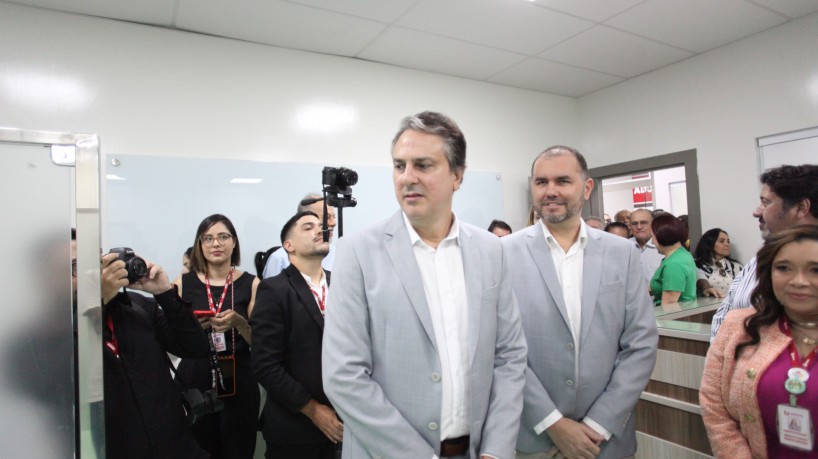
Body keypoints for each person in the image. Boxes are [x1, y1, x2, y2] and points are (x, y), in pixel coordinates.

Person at [322, 111, 527, 459]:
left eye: (423, 165)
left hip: (476, 450)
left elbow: (510, 355)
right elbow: (344, 376)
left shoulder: (491, 250)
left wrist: (496, 448)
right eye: (399, 166)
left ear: (457, 175)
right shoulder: (358, 252)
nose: (407, 178)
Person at [504, 146, 657, 459]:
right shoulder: (503, 254)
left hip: (605, 440)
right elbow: (501, 350)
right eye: (541, 182)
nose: (551, 191)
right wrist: (553, 423)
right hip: (534, 438)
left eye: (562, 181)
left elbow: (640, 344)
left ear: (586, 188)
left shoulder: (622, 253)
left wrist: (599, 424)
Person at [700, 225, 818, 458]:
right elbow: (715, 406)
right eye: (784, 268)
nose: (799, 281)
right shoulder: (738, 327)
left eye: (815, 269)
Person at [251, 211, 342, 459]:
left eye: (321, 226)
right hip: (296, 428)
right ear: (288, 245)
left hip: (346, 424)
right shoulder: (275, 289)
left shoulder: (343, 284)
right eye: (308, 227)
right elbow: (265, 364)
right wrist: (312, 409)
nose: (319, 230)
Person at [101, 251, 210, 458]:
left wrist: (165, 293)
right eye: (75, 267)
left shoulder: (137, 306)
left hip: (178, 446)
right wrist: (99, 303)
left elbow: (195, 347)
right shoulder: (48, 332)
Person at [173, 214, 261, 459]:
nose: (216, 244)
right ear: (200, 245)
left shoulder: (252, 284)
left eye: (223, 237)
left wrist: (239, 323)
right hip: (195, 376)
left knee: (238, 450)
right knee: (196, 450)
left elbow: (261, 342)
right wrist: (194, 328)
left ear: (234, 243)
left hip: (238, 376)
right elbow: (170, 338)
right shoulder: (182, 283)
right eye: (208, 238)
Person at [710, 164, 818, 341]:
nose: (756, 212)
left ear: (800, 207)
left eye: (766, 202)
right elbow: (725, 313)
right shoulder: (758, 260)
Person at [263, 193, 336, 278]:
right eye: (326, 217)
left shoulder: (338, 254)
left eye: (334, 217)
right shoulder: (279, 259)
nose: (333, 223)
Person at [649, 213, 697, 305]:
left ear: (662, 235)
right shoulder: (682, 253)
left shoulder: (674, 264)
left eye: (652, 237)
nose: (652, 242)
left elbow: (668, 305)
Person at [694, 228, 743, 298]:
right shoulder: (697, 264)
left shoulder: (736, 266)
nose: (727, 244)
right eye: (722, 241)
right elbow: (700, 277)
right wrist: (706, 288)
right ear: (709, 243)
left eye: (728, 241)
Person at [629, 208, 665, 285]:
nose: (639, 227)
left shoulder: (665, 245)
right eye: (634, 223)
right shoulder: (625, 246)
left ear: (653, 224)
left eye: (643, 222)